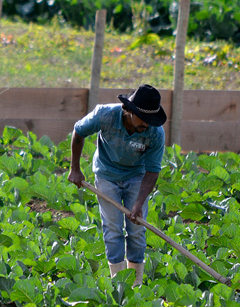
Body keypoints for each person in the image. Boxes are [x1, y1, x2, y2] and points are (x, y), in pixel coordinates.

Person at [67, 84, 166, 286]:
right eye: (143, 119)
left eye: (150, 121)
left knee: (137, 229)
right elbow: (78, 132)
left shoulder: (155, 133)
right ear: (129, 111)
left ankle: (135, 284)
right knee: (113, 229)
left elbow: (153, 171)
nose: (147, 124)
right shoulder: (105, 115)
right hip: (106, 175)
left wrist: (139, 203)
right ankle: (119, 284)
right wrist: (75, 168)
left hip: (136, 177)